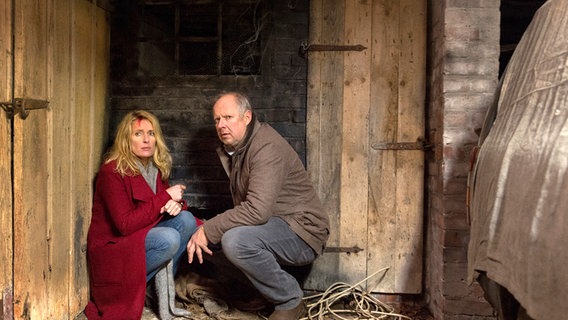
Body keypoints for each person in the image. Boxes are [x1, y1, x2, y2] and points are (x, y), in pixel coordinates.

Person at [187, 92, 330, 320]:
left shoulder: (266, 147)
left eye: (228, 117)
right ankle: (263, 293)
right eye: (217, 120)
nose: (221, 125)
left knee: (234, 240)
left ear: (247, 117)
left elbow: (256, 210)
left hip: (302, 233)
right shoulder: (239, 147)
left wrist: (208, 229)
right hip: (275, 227)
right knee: (207, 240)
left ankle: (289, 299)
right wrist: (204, 230)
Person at [84, 110, 200, 319]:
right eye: (138, 134)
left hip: (140, 235)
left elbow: (158, 209)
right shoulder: (112, 171)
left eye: (151, 133)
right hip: (114, 246)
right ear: (126, 140)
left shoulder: (154, 168)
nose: (146, 140)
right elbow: (124, 225)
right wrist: (165, 197)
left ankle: (147, 290)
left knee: (187, 220)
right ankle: (135, 290)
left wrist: (175, 205)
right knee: (169, 238)